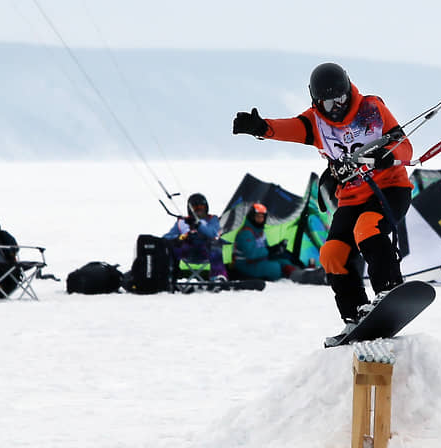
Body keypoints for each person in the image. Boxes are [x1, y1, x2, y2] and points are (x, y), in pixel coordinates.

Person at [233, 62, 414, 344]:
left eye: (339, 99)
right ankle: (355, 316)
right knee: (331, 253)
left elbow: (405, 147)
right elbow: (290, 127)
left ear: (348, 91)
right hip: (352, 198)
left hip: (390, 189)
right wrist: (261, 127)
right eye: (326, 102)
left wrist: (388, 155)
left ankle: (389, 291)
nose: (335, 108)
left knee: (367, 229)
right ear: (315, 100)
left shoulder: (372, 108)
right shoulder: (316, 121)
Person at [163, 193, 227, 281]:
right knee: (170, 247)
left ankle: (217, 278)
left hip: (205, 252)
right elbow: (167, 237)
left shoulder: (212, 219)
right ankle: (169, 278)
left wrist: (198, 225)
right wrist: (179, 238)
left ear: (206, 207)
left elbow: (214, 233)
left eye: (201, 207)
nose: (199, 210)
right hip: (187, 251)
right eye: (195, 208)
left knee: (216, 246)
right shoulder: (182, 222)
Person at [232, 202, 298, 281]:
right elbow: (250, 254)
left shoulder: (260, 231)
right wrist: (269, 250)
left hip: (257, 261)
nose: (260, 219)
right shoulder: (246, 233)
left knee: (284, 262)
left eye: (262, 217)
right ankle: (287, 277)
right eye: (258, 217)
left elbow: (265, 249)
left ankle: (298, 275)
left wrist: (275, 249)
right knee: (274, 268)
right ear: (252, 217)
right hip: (244, 264)